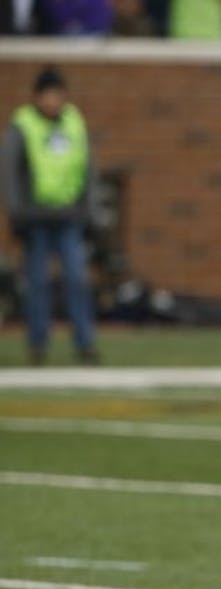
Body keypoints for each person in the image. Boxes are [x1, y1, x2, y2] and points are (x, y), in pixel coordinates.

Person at [2, 65, 100, 366]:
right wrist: (17, 213)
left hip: (69, 216)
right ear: (37, 96)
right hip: (36, 218)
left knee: (76, 281)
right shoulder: (23, 124)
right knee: (38, 283)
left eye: (57, 94)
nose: (52, 101)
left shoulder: (73, 122)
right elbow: (11, 173)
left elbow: (88, 168)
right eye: (47, 94)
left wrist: (89, 211)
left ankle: (85, 344)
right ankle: (38, 345)